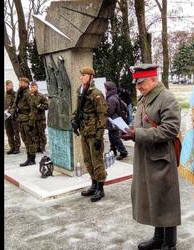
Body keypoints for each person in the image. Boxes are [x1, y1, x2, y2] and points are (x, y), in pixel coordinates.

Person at [120, 64, 181, 250]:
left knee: (165, 201)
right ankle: (158, 238)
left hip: (161, 158)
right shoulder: (145, 98)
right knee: (154, 199)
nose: (138, 86)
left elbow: (170, 129)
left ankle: (169, 243)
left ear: (153, 79)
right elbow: (139, 122)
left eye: (141, 82)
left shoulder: (167, 98)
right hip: (146, 157)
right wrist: (130, 129)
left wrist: (137, 135)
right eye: (136, 83)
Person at [71, 67, 108, 202]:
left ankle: (100, 187)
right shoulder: (80, 91)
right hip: (84, 131)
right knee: (87, 160)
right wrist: (73, 121)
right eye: (81, 75)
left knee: (97, 160)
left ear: (91, 77)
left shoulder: (96, 94)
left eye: (84, 75)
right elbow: (77, 110)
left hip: (93, 133)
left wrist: (99, 136)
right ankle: (93, 184)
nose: (81, 77)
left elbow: (103, 116)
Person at [12, 77, 37, 166]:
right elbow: (16, 104)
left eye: (22, 82)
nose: (20, 84)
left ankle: (32, 159)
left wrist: (31, 122)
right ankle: (28, 158)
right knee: (25, 140)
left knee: (30, 140)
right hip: (21, 120)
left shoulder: (28, 94)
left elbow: (33, 109)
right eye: (19, 82)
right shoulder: (20, 93)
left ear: (26, 83)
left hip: (27, 120)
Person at [104, 81, 128, 160]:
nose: (105, 90)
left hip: (113, 121)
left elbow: (110, 111)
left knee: (114, 137)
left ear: (109, 89)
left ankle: (123, 152)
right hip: (115, 120)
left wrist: (104, 110)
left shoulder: (111, 99)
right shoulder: (114, 96)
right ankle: (113, 150)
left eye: (106, 88)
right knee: (112, 136)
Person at [29, 81, 49, 153]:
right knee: (35, 134)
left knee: (41, 133)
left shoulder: (41, 96)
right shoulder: (29, 97)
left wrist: (40, 106)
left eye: (33, 87)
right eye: (31, 87)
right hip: (33, 119)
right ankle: (37, 147)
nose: (32, 88)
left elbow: (47, 106)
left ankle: (43, 147)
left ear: (37, 87)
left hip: (40, 118)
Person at [4, 80, 21, 154]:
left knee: (16, 132)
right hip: (6, 117)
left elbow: (16, 104)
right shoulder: (4, 95)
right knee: (9, 133)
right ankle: (12, 147)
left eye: (10, 85)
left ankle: (17, 147)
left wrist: (11, 110)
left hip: (14, 116)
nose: (8, 87)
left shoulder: (15, 94)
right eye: (7, 85)